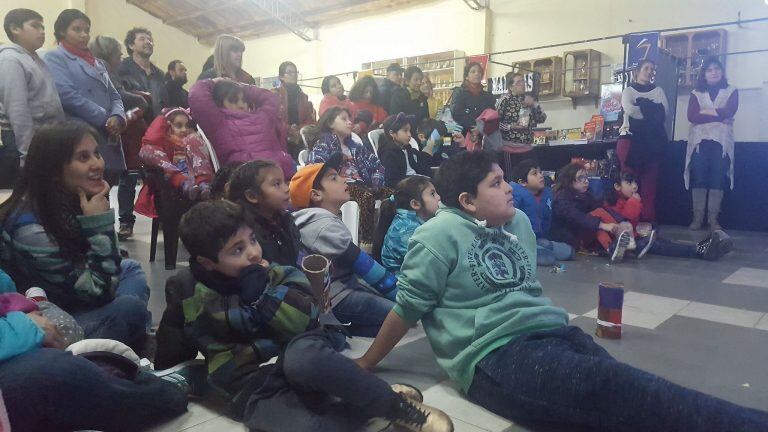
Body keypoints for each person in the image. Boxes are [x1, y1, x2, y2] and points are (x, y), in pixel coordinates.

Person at [354, 150, 768, 432]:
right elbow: (407, 308)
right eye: (496, 183)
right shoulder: (436, 235)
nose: (509, 188)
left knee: (629, 392)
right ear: (468, 201)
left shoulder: (517, 224)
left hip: (555, 332)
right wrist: (368, 363)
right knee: (625, 392)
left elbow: (527, 289)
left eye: (505, 180)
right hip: (496, 355)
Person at [173, 199, 451, 431]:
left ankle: (393, 405)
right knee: (296, 426)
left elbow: (304, 322)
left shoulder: (280, 274)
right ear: (207, 263)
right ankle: (364, 413)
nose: (254, 253)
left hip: (299, 364)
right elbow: (178, 333)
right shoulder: (192, 293)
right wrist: (165, 365)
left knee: (304, 355)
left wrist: (262, 295)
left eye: (253, 240)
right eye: (237, 250)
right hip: (254, 387)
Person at [0, 123, 151, 347]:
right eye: (83, 157)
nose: (97, 164)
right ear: (54, 170)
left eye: (96, 154)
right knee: (129, 308)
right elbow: (98, 292)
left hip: (73, 297)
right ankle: (124, 342)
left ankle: (126, 338)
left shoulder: (66, 201)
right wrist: (99, 224)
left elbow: (98, 271)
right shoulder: (29, 227)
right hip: (51, 321)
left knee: (130, 269)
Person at [0, 270, 190, 432]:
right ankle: (161, 390)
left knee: (129, 303)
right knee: (55, 370)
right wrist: (26, 326)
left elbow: (8, 291)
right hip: (27, 342)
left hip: (33, 321)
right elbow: (89, 286)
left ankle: (111, 375)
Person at [291, 156, 399, 337]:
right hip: (337, 297)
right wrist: (401, 296)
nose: (344, 179)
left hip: (344, 288)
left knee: (396, 321)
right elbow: (364, 265)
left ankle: (339, 330)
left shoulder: (317, 220)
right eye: (333, 178)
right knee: (402, 317)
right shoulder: (322, 225)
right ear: (316, 195)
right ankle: (333, 330)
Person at [43, 9, 126, 182]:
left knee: (107, 183)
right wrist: (106, 118)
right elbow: (67, 95)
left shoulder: (98, 62)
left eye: (87, 30)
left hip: (107, 131)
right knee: (84, 185)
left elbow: (115, 95)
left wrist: (118, 116)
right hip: (80, 131)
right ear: (62, 31)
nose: (84, 35)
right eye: (77, 29)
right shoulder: (55, 57)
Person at [89, 34, 150, 241]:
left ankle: (107, 234)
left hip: (115, 134)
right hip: (112, 134)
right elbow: (119, 96)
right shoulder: (103, 69)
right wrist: (142, 99)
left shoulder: (104, 69)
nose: (121, 57)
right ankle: (105, 236)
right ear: (109, 54)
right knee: (104, 186)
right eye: (118, 54)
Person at [604, 171, 733, 261]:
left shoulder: (627, 200)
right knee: (661, 246)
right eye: (629, 183)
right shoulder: (613, 203)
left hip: (637, 236)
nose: (634, 186)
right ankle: (700, 250)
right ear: (617, 186)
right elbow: (626, 218)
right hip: (629, 242)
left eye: (634, 182)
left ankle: (704, 247)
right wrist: (634, 202)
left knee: (664, 242)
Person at [0, 8, 65, 182]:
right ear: (15, 29)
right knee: (29, 191)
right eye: (35, 26)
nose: (42, 31)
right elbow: (17, 109)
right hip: (23, 140)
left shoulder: (36, 59)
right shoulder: (10, 59)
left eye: (43, 27)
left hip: (45, 136)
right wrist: (27, 154)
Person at [307, 106, 387, 243]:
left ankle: (385, 241)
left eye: (350, 119)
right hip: (343, 186)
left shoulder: (356, 147)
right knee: (365, 197)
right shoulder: (324, 143)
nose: (350, 122)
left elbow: (377, 166)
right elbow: (316, 168)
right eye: (344, 119)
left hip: (364, 185)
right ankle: (366, 243)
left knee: (393, 196)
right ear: (330, 123)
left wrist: (376, 183)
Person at [188, 78, 295, 179]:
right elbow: (197, 95)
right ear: (219, 103)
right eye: (233, 100)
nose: (241, 105)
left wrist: (240, 86)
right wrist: (214, 81)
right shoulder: (218, 122)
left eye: (244, 100)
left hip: (281, 171)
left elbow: (271, 98)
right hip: (248, 177)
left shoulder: (262, 116)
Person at [685, 57, 738, 231]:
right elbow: (692, 116)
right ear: (704, 74)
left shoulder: (731, 91)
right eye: (709, 70)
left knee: (717, 178)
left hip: (721, 143)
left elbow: (730, 111)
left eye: (717, 68)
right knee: (699, 178)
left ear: (722, 71)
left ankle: (713, 220)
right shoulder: (696, 93)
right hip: (700, 142)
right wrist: (720, 116)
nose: (714, 72)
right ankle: (697, 218)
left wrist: (705, 111)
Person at [617, 59, 669, 223]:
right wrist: (652, 111)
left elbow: (663, 114)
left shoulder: (658, 91)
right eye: (646, 68)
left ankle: (647, 219)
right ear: (637, 71)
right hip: (629, 139)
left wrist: (645, 109)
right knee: (628, 182)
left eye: (652, 69)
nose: (649, 71)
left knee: (649, 184)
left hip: (652, 142)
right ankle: (626, 220)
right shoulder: (628, 91)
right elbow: (630, 110)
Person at [550, 163, 633, 263]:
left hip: (581, 235)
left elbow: (602, 209)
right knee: (597, 218)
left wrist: (623, 221)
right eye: (581, 178)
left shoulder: (585, 196)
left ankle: (621, 243)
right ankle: (619, 244)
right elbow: (577, 217)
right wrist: (602, 225)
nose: (586, 181)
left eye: (586, 177)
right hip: (569, 240)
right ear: (570, 181)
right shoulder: (561, 199)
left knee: (599, 216)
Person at [226, 160, 302, 267]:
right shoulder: (250, 239)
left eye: (285, 182)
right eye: (277, 184)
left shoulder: (284, 219)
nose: (286, 189)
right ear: (252, 196)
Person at [509, 159, 574, 266]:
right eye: (534, 173)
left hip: (539, 238)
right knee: (547, 258)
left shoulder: (547, 195)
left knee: (570, 252)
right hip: (520, 240)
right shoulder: (515, 196)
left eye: (540, 172)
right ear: (523, 182)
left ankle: (543, 247)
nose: (540, 176)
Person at [373, 176, 440, 275]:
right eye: (432, 194)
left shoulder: (414, 222)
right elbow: (429, 265)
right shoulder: (406, 230)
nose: (439, 197)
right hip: (402, 283)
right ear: (415, 204)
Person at [376, 113, 437, 187]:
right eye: (405, 131)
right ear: (392, 133)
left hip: (420, 182)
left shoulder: (408, 149)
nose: (409, 134)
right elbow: (392, 181)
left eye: (409, 131)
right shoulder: (389, 154)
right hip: (409, 188)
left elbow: (422, 168)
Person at [118, 27, 166, 119]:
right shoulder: (122, 68)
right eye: (142, 39)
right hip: (132, 123)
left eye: (150, 40)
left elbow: (164, 102)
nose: (148, 42)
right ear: (131, 45)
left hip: (156, 124)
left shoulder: (160, 74)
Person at [274, 61, 315, 159]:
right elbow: (272, 118)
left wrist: (299, 130)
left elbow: (308, 119)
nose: (294, 75)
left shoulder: (303, 97)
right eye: (289, 72)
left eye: (295, 72)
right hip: (280, 138)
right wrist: (289, 129)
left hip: (299, 138)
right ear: (281, 77)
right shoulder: (274, 94)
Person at [496, 72, 547, 145]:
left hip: (527, 145)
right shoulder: (505, 100)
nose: (522, 84)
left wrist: (534, 104)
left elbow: (542, 118)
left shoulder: (528, 99)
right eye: (518, 82)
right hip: (509, 145)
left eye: (523, 81)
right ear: (511, 87)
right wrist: (510, 127)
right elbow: (495, 123)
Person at [450, 62, 496, 135]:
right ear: (466, 76)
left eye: (479, 72)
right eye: (473, 71)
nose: (477, 73)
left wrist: (481, 128)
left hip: (483, 135)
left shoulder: (488, 96)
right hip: (463, 134)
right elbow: (456, 113)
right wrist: (473, 127)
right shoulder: (459, 93)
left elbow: (492, 117)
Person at [389, 66, 430, 133]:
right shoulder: (398, 96)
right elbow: (395, 119)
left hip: (421, 134)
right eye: (416, 80)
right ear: (407, 81)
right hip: (404, 133)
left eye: (420, 79)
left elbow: (426, 118)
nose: (419, 82)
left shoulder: (423, 97)